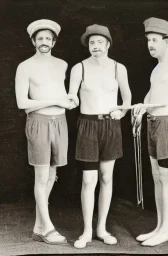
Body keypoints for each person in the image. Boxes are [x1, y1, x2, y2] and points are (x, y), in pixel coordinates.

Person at [68, 24, 132, 248]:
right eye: (91, 42)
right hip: (88, 125)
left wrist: (121, 112)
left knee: (106, 177)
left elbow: (126, 100)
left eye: (99, 42)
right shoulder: (79, 68)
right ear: (88, 45)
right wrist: (71, 100)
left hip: (110, 126)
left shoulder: (118, 68)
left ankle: (101, 228)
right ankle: (86, 232)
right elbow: (71, 96)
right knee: (89, 180)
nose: (95, 46)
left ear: (107, 44)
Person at [15, 19, 76, 245]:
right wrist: (56, 100)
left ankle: (39, 226)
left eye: (48, 38)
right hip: (38, 123)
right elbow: (23, 103)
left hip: (59, 122)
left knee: (51, 175)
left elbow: (64, 95)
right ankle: (48, 226)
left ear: (53, 41)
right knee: (41, 176)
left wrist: (69, 100)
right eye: (39, 38)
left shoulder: (62, 64)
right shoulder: (25, 66)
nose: (44, 42)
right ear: (33, 41)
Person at [134, 17, 168, 246]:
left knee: (164, 177)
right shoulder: (157, 68)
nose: (150, 45)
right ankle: (159, 226)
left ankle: (165, 230)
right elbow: (151, 95)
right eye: (148, 40)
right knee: (157, 177)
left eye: (154, 40)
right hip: (152, 123)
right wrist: (139, 110)